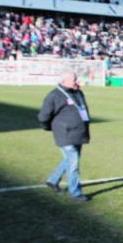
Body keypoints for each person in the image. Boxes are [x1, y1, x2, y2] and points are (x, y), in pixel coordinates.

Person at [38, 71, 91, 202]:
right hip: (64, 133)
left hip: (79, 132)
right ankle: (76, 192)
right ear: (64, 81)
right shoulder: (54, 95)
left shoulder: (78, 92)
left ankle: (52, 180)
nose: (77, 81)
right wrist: (49, 127)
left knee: (69, 160)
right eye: (74, 79)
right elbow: (43, 116)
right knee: (73, 162)